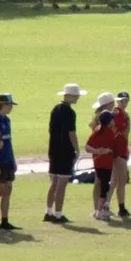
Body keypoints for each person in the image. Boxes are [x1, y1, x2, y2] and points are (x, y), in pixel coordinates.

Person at [45, 83, 82, 224]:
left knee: (54, 182)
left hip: (53, 149)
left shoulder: (55, 109)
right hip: (64, 150)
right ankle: (58, 214)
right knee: (62, 183)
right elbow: (71, 133)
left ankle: (48, 211)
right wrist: (77, 149)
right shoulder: (70, 113)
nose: (77, 97)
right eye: (75, 95)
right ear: (68, 96)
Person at [0, 92, 19, 232]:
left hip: (8, 160)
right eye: (9, 105)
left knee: (8, 189)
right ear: (3, 105)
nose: (11, 108)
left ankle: (4, 220)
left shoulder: (7, 120)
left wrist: (13, 161)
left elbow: (9, 143)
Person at [86, 108, 120, 222]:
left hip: (98, 163)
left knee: (102, 184)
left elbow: (87, 147)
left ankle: (98, 210)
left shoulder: (96, 130)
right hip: (106, 164)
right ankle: (100, 212)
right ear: (108, 121)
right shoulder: (110, 133)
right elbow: (112, 146)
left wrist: (97, 151)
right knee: (104, 187)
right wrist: (102, 151)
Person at [111, 92, 131, 218]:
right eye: (122, 101)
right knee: (122, 180)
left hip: (120, 148)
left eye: (126, 101)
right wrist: (129, 121)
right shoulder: (119, 114)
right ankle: (121, 207)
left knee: (115, 180)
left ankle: (106, 205)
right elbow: (125, 133)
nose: (124, 103)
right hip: (119, 150)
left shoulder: (119, 113)